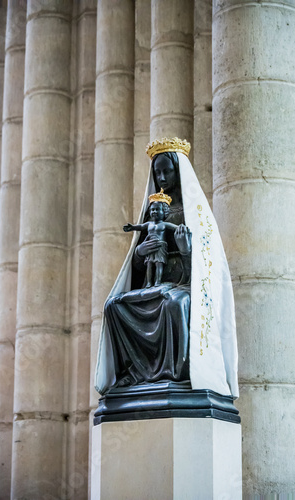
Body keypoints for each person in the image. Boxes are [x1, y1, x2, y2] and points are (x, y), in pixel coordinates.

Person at [95, 137, 239, 398]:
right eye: (157, 172)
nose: (161, 177)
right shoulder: (152, 213)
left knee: (174, 304)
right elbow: (136, 268)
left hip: (183, 284)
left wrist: (186, 250)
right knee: (114, 306)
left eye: (167, 171)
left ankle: (173, 374)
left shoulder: (195, 213)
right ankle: (135, 372)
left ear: (178, 171)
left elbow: (207, 267)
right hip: (154, 282)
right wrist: (140, 251)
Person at [123, 189, 184, 287]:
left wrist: (182, 228)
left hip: (160, 246)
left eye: (157, 209)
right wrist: (132, 227)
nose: (154, 212)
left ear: (164, 212)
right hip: (149, 247)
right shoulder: (149, 223)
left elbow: (175, 228)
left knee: (159, 264)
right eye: (152, 210)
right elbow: (141, 227)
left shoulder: (164, 224)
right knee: (149, 265)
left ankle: (157, 281)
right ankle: (149, 282)